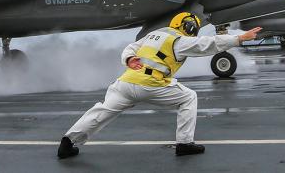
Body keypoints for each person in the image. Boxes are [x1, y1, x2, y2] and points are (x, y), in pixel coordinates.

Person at [57, 12, 262, 158]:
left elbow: (130, 47)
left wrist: (129, 59)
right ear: (188, 25)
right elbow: (207, 44)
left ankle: (67, 142)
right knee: (188, 97)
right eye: (193, 26)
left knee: (101, 111)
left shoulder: (155, 35)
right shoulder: (179, 40)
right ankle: (184, 144)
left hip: (127, 82)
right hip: (152, 84)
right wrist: (239, 38)